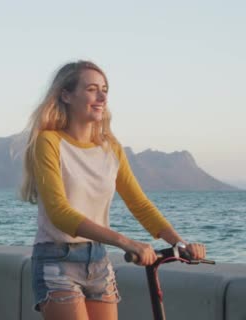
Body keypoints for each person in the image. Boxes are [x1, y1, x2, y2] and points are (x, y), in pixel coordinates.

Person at [20, 61, 207, 320]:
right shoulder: (49, 142)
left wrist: (179, 242)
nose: (102, 96)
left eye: (105, 89)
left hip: (98, 260)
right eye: (92, 89)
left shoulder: (111, 148)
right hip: (56, 259)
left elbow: (139, 204)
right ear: (66, 95)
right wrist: (125, 242)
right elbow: (58, 212)